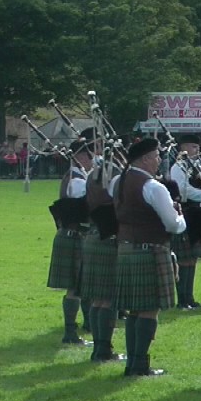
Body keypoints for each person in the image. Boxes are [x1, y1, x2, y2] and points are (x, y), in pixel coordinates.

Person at [113, 137, 187, 377]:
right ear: (144, 159)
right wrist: (182, 217)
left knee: (135, 309)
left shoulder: (119, 181)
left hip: (127, 249)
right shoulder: (152, 186)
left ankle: (132, 363)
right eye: (156, 156)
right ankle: (140, 365)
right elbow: (172, 225)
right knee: (148, 310)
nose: (159, 160)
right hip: (150, 251)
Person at [49, 139, 95, 345]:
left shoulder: (79, 176)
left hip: (75, 237)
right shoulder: (76, 180)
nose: (91, 160)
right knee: (75, 288)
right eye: (88, 156)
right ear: (79, 156)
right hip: (72, 236)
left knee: (82, 285)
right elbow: (87, 200)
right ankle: (70, 333)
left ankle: (87, 325)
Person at [81, 142, 124, 362]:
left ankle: (99, 349)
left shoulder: (91, 175)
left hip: (93, 235)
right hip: (109, 237)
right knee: (107, 298)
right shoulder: (114, 175)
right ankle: (104, 350)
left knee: (98, 299)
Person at [169, 135, 201, 310]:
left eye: (197, 147)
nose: (197, 150)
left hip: (197, 214)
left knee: (192, 258)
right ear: (183, 147)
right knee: (184, 258)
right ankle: (182, 299)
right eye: (193, 147)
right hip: (186, 213)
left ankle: (190, 297)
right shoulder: (178, 167)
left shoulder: (197, 165)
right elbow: (183, 190)